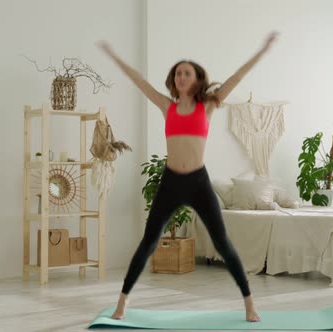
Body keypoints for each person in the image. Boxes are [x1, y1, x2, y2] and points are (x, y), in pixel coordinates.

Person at [96, 31, 278, 322]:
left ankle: (249, 304)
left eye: (187, 73)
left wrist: (262, 50)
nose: (181, 77)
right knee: (148, 243)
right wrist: (115, 57)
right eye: (178, 73)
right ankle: (122, 303)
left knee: (223, 244)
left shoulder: (208, 105)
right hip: (171, 182)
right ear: (174, 80)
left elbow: (237, 77)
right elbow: (139, 81)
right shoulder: (166, 106)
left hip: (198, 183)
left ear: (196, 79)